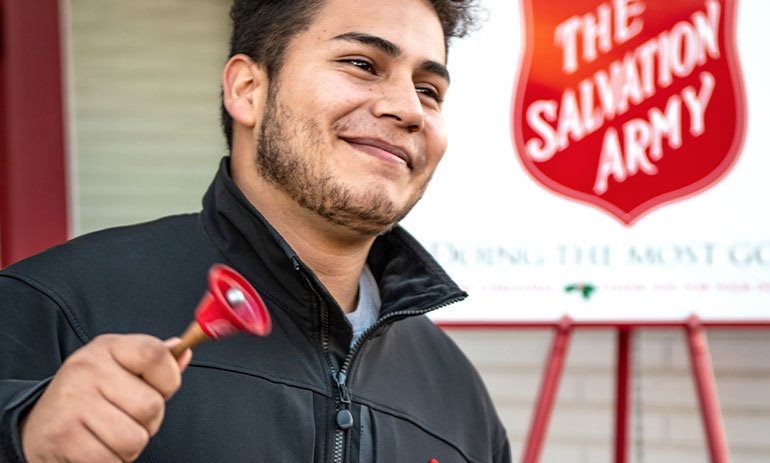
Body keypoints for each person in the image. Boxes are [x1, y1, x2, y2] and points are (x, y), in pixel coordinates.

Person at [0, 0, 511, 461]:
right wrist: (20, 439)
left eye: (429, 90)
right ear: (247, 90)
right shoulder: (50, 308)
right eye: (361, 64)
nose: (408, 109)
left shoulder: (460, 397)